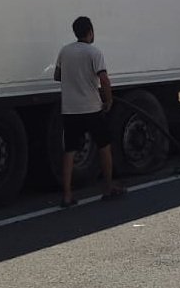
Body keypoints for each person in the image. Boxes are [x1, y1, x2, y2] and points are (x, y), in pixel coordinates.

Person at [54, 16, 126, 207]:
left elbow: (57, 76)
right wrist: (108, 100)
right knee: (104, 146)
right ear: (90, 31)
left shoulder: (65, 51)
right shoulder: (94, 53)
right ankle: (109, 186)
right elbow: (104, 79)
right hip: (92, 108)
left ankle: (67, 195)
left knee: (69, 151)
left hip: (70, 109)